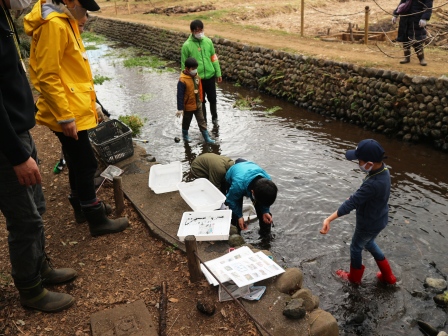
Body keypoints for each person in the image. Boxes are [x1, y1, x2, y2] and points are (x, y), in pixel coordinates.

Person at [24, 0, 129, 236]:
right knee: (86, 164)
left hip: (72, 105)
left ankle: (82, 205)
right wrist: (65, 117)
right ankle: (96, 219)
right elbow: (48, 75)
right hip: (67, 110)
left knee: (76, 160)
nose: (86, 16)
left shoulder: (63, 20)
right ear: (69, 2)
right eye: (84, 9)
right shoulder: (54, 25)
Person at [0, 0, 76, 312]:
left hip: (20, 131)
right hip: (7, 145)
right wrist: (17, 155)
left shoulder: (3, 16)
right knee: (25, 220)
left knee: (38, 205)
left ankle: (41, 266)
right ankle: (30, 289)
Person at [320, 139, 397, 285]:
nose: (358, 164)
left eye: (360, 161)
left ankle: (354, 278)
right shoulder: (384, 170)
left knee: (355, 247)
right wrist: (361, 198)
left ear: (370, 164)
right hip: (380, 219)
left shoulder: (373, 184)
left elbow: (352, 203)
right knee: (369, 243)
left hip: (367, 223)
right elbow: (369, 195)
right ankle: (388, 276)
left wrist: (328, 219)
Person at [181, 19, 222, 125]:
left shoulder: (208, 42)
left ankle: (215, 118)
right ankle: (204, 122)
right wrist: (185, 81)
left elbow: (214, 58)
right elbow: (183, 65)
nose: (199, 32)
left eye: (200, 30)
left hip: (210, 76)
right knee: (201, 101)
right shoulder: (187, 46)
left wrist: (218, 73)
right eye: (196, 31)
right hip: (197, 79)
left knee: (213, 99)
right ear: (192, 31)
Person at [225, 160, 278, 238]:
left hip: (250, 169)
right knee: (235, 213)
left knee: (262, 210)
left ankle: (265, 236)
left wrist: (265, 211)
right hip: (235, 174)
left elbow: (265, 200)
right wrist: (239, 216)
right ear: (252, 192)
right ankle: (236, 234)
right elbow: (231, 200)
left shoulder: (267, 182)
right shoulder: (237, 185)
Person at [176, 57, 215, 144]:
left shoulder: (197, 76)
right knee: (186, 122)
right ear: (187, 69)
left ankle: (207, 138)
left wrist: (201, 99)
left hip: (197, 104)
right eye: (193, 69)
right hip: (188, 106)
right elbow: (179, 95)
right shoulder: (182, 80)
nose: (195, 70)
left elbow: (200, 88)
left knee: (202, 121)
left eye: (195, 68)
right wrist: (180, 108)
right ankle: (185, 135)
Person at [392, 0, 433, 66]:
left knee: (417, 40)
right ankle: (406, 57)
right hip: (405, 18)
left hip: (417, 19)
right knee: (405, 39)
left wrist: (424, 18)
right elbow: (402, 3)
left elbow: (428, 7)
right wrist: (395, 14)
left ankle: (421, 58)